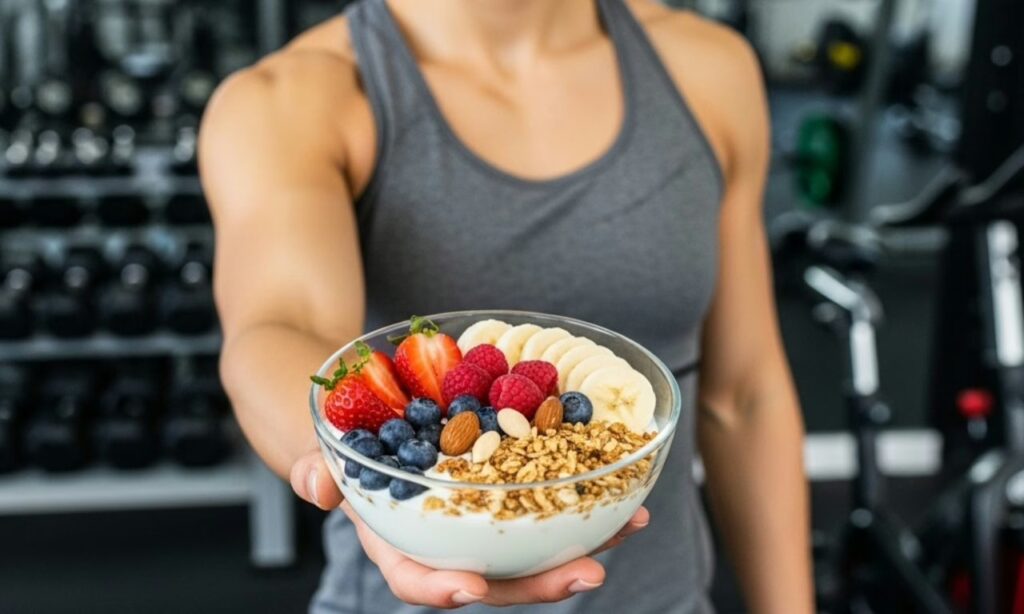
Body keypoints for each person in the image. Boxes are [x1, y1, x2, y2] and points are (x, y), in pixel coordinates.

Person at [199, 0, 812, 611]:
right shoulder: (295, 99)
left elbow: (745, 398)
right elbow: (281, 326)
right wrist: (340, 462)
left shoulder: (707, 68)